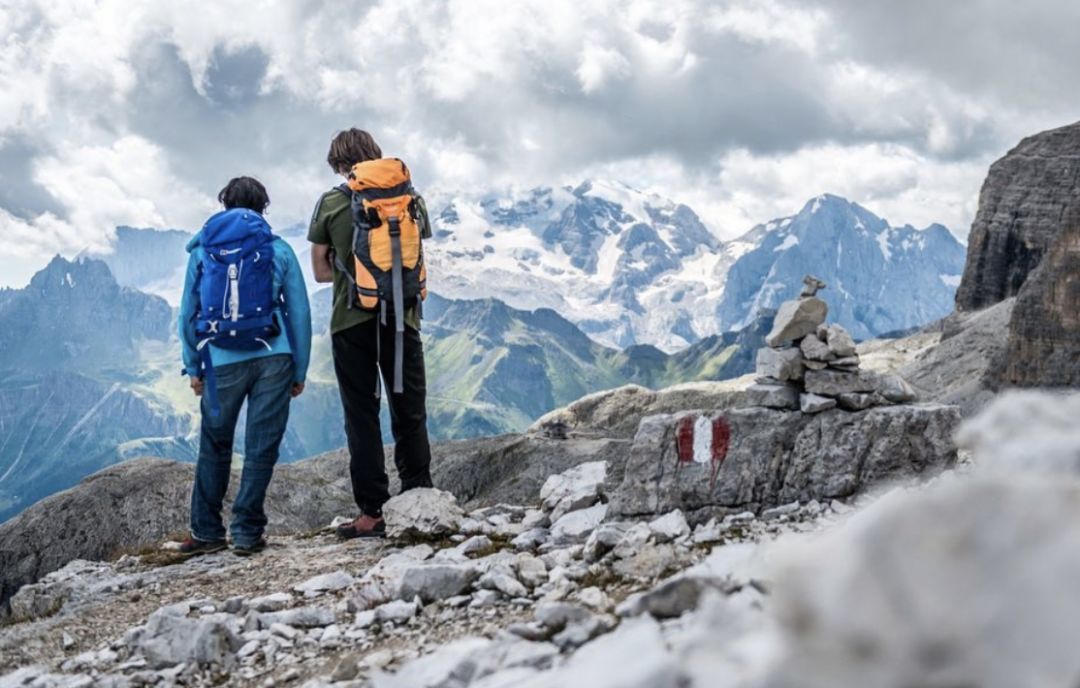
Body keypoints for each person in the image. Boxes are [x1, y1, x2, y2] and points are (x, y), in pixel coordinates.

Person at [308, 129, 433, 539]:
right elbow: (414, 251)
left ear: (340, 166)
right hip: (403, 318)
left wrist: (354, 272)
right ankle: (419, 495)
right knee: (409, 408)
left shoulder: (331, 201)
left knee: (361, 415)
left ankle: (372, 512)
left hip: (352, 320)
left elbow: (321, 271)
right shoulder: (410, 198)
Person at [177, 176, 312, 556]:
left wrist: (194, 366)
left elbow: (188, 312)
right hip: (274, 359)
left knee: (215, 444)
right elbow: (299, 313)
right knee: (261, 447)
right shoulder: (279, 249)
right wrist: (298, 370)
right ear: (262, 208)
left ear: (225, 205)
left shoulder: (202, 250)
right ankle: (247, 533)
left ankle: (205, 533)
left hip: (220, 363)